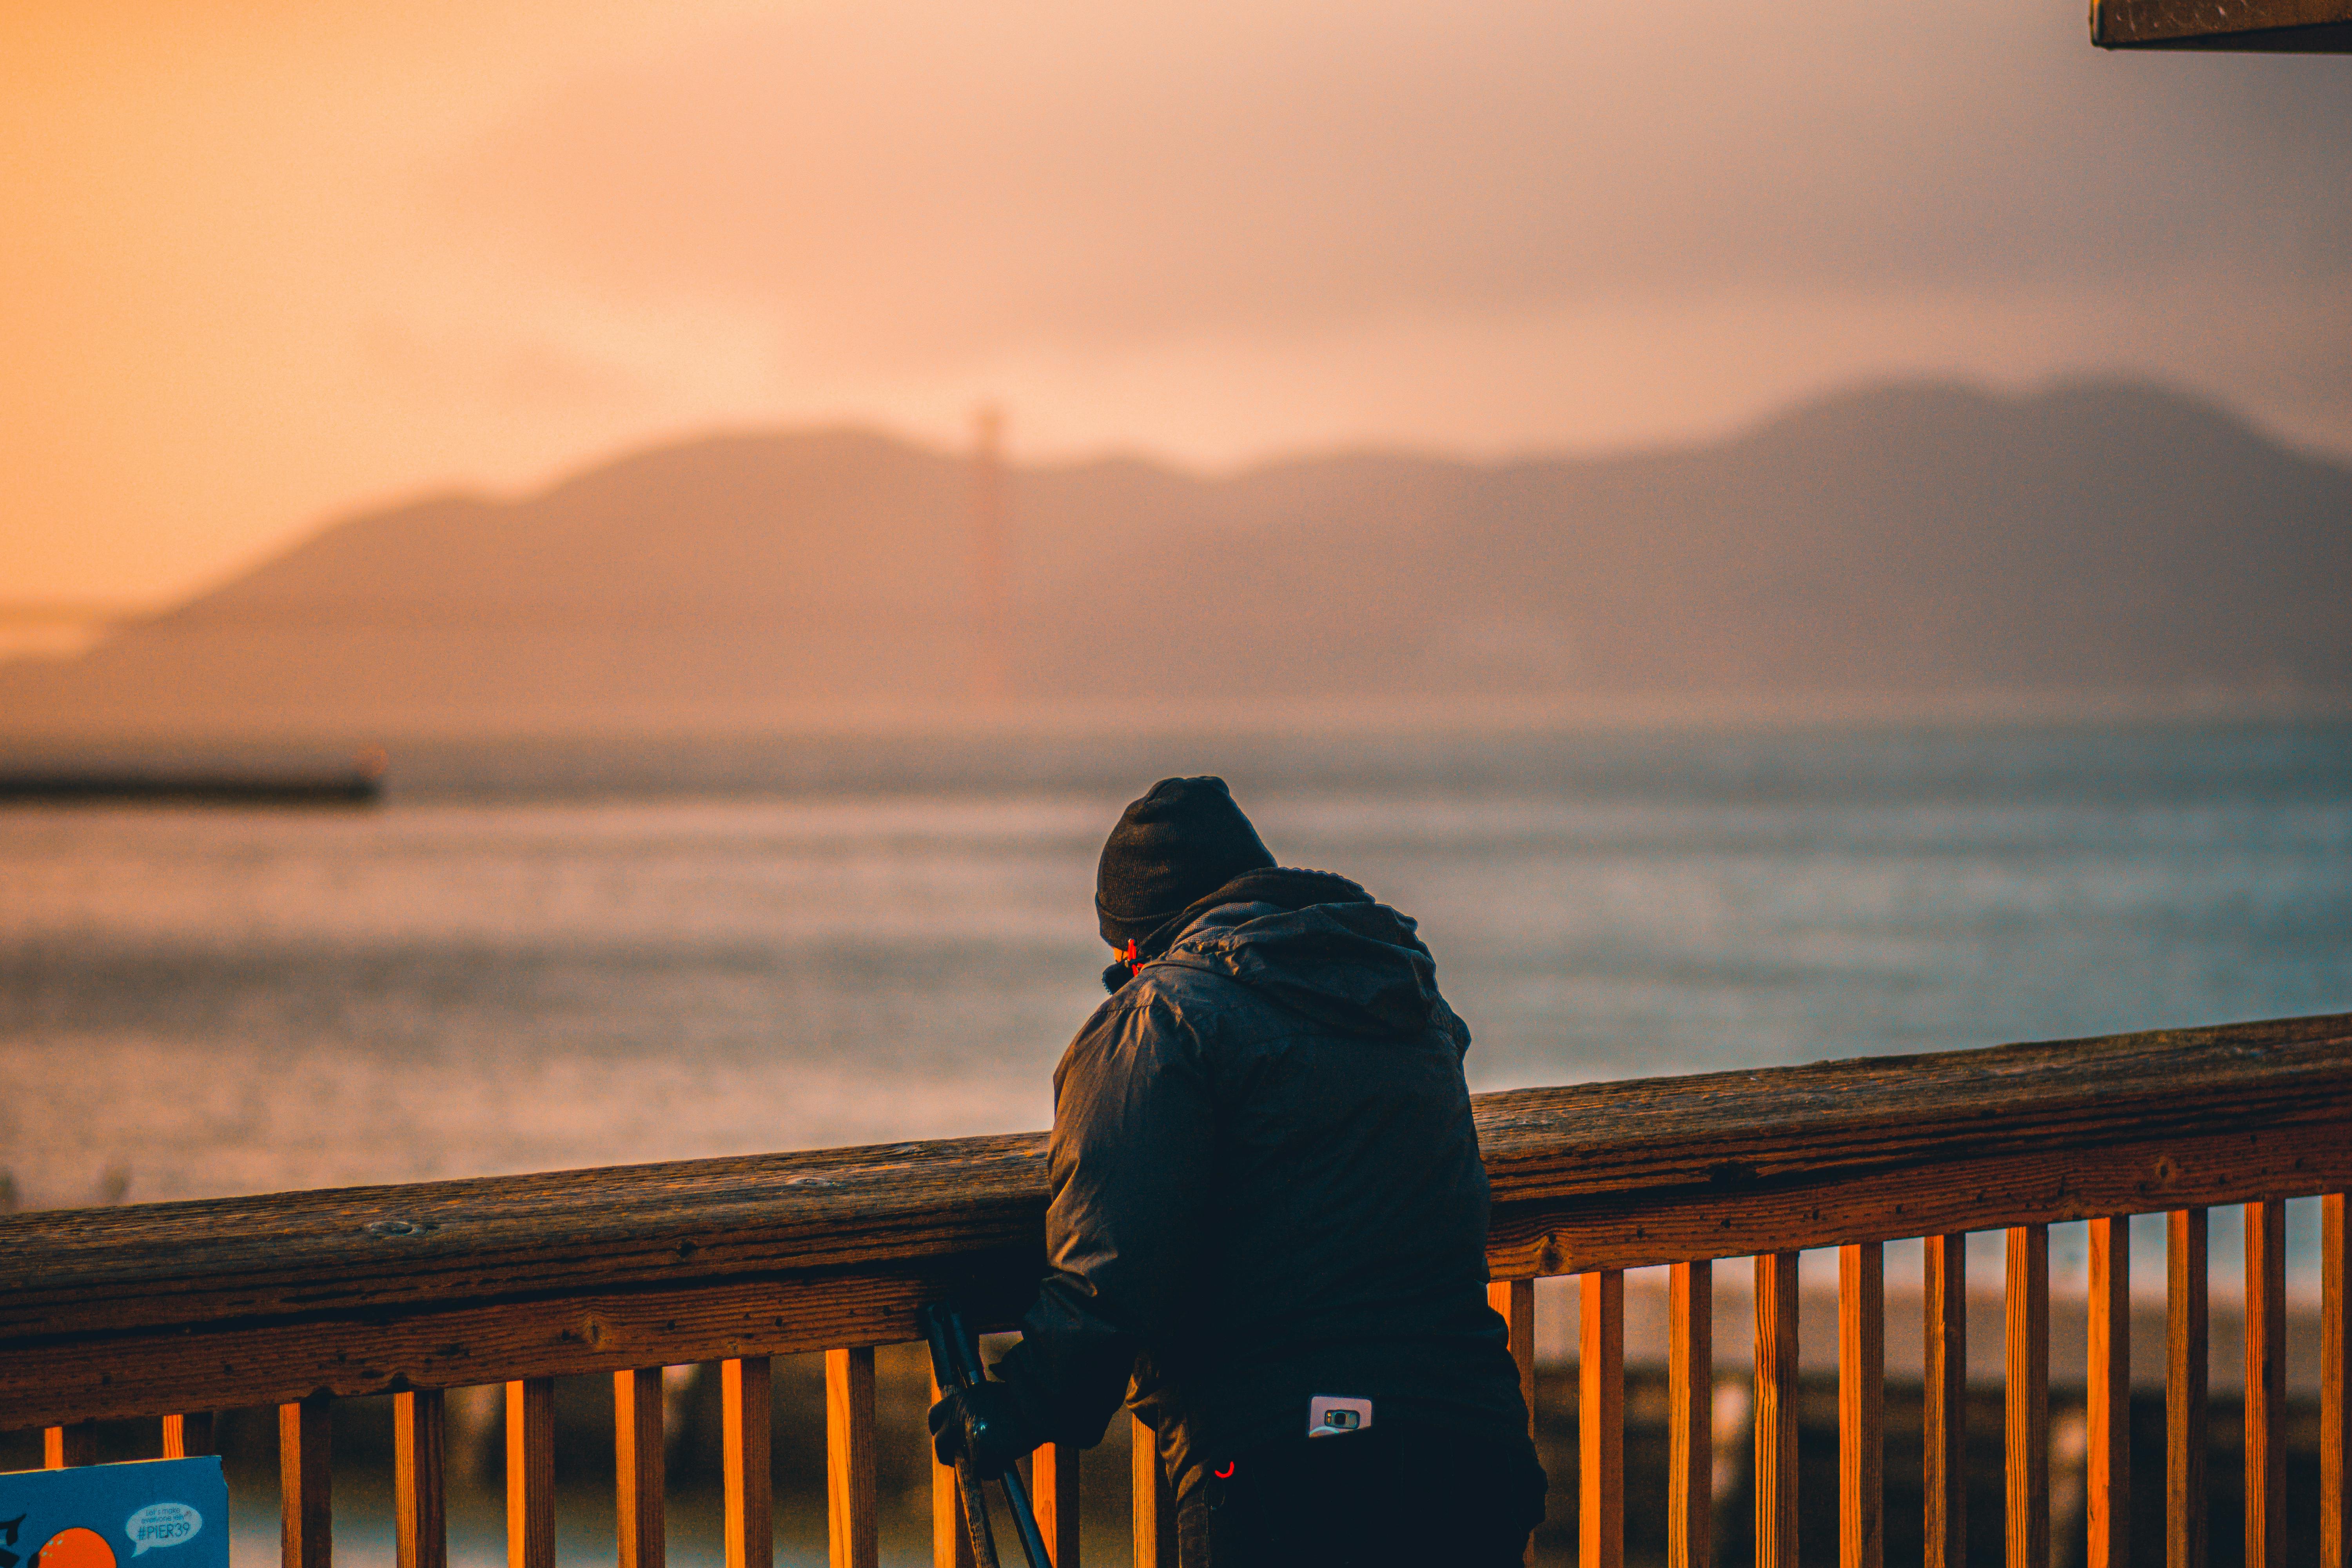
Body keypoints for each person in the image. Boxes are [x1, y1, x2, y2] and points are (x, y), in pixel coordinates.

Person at [929, 775, 1546, 1566]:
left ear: (1135, 940)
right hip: (1472, 1447)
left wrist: (1015, 1407)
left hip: (1295, 1467)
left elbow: (1109, 1273)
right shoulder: (1405, 999)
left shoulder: (1163, 1019)